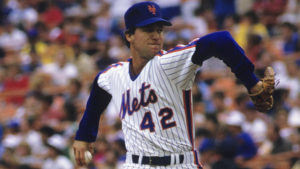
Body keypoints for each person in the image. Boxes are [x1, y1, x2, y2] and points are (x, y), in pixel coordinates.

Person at [73, 1, 272, 168]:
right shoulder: (114, 74)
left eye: (159, 30)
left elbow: (221, 40)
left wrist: (252, 83)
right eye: (148, 29)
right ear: (129, 35)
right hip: (135, 164)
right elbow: (99, 89)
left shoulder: (169, 63)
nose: (156, 35)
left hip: (179, 163)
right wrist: (85, 136)